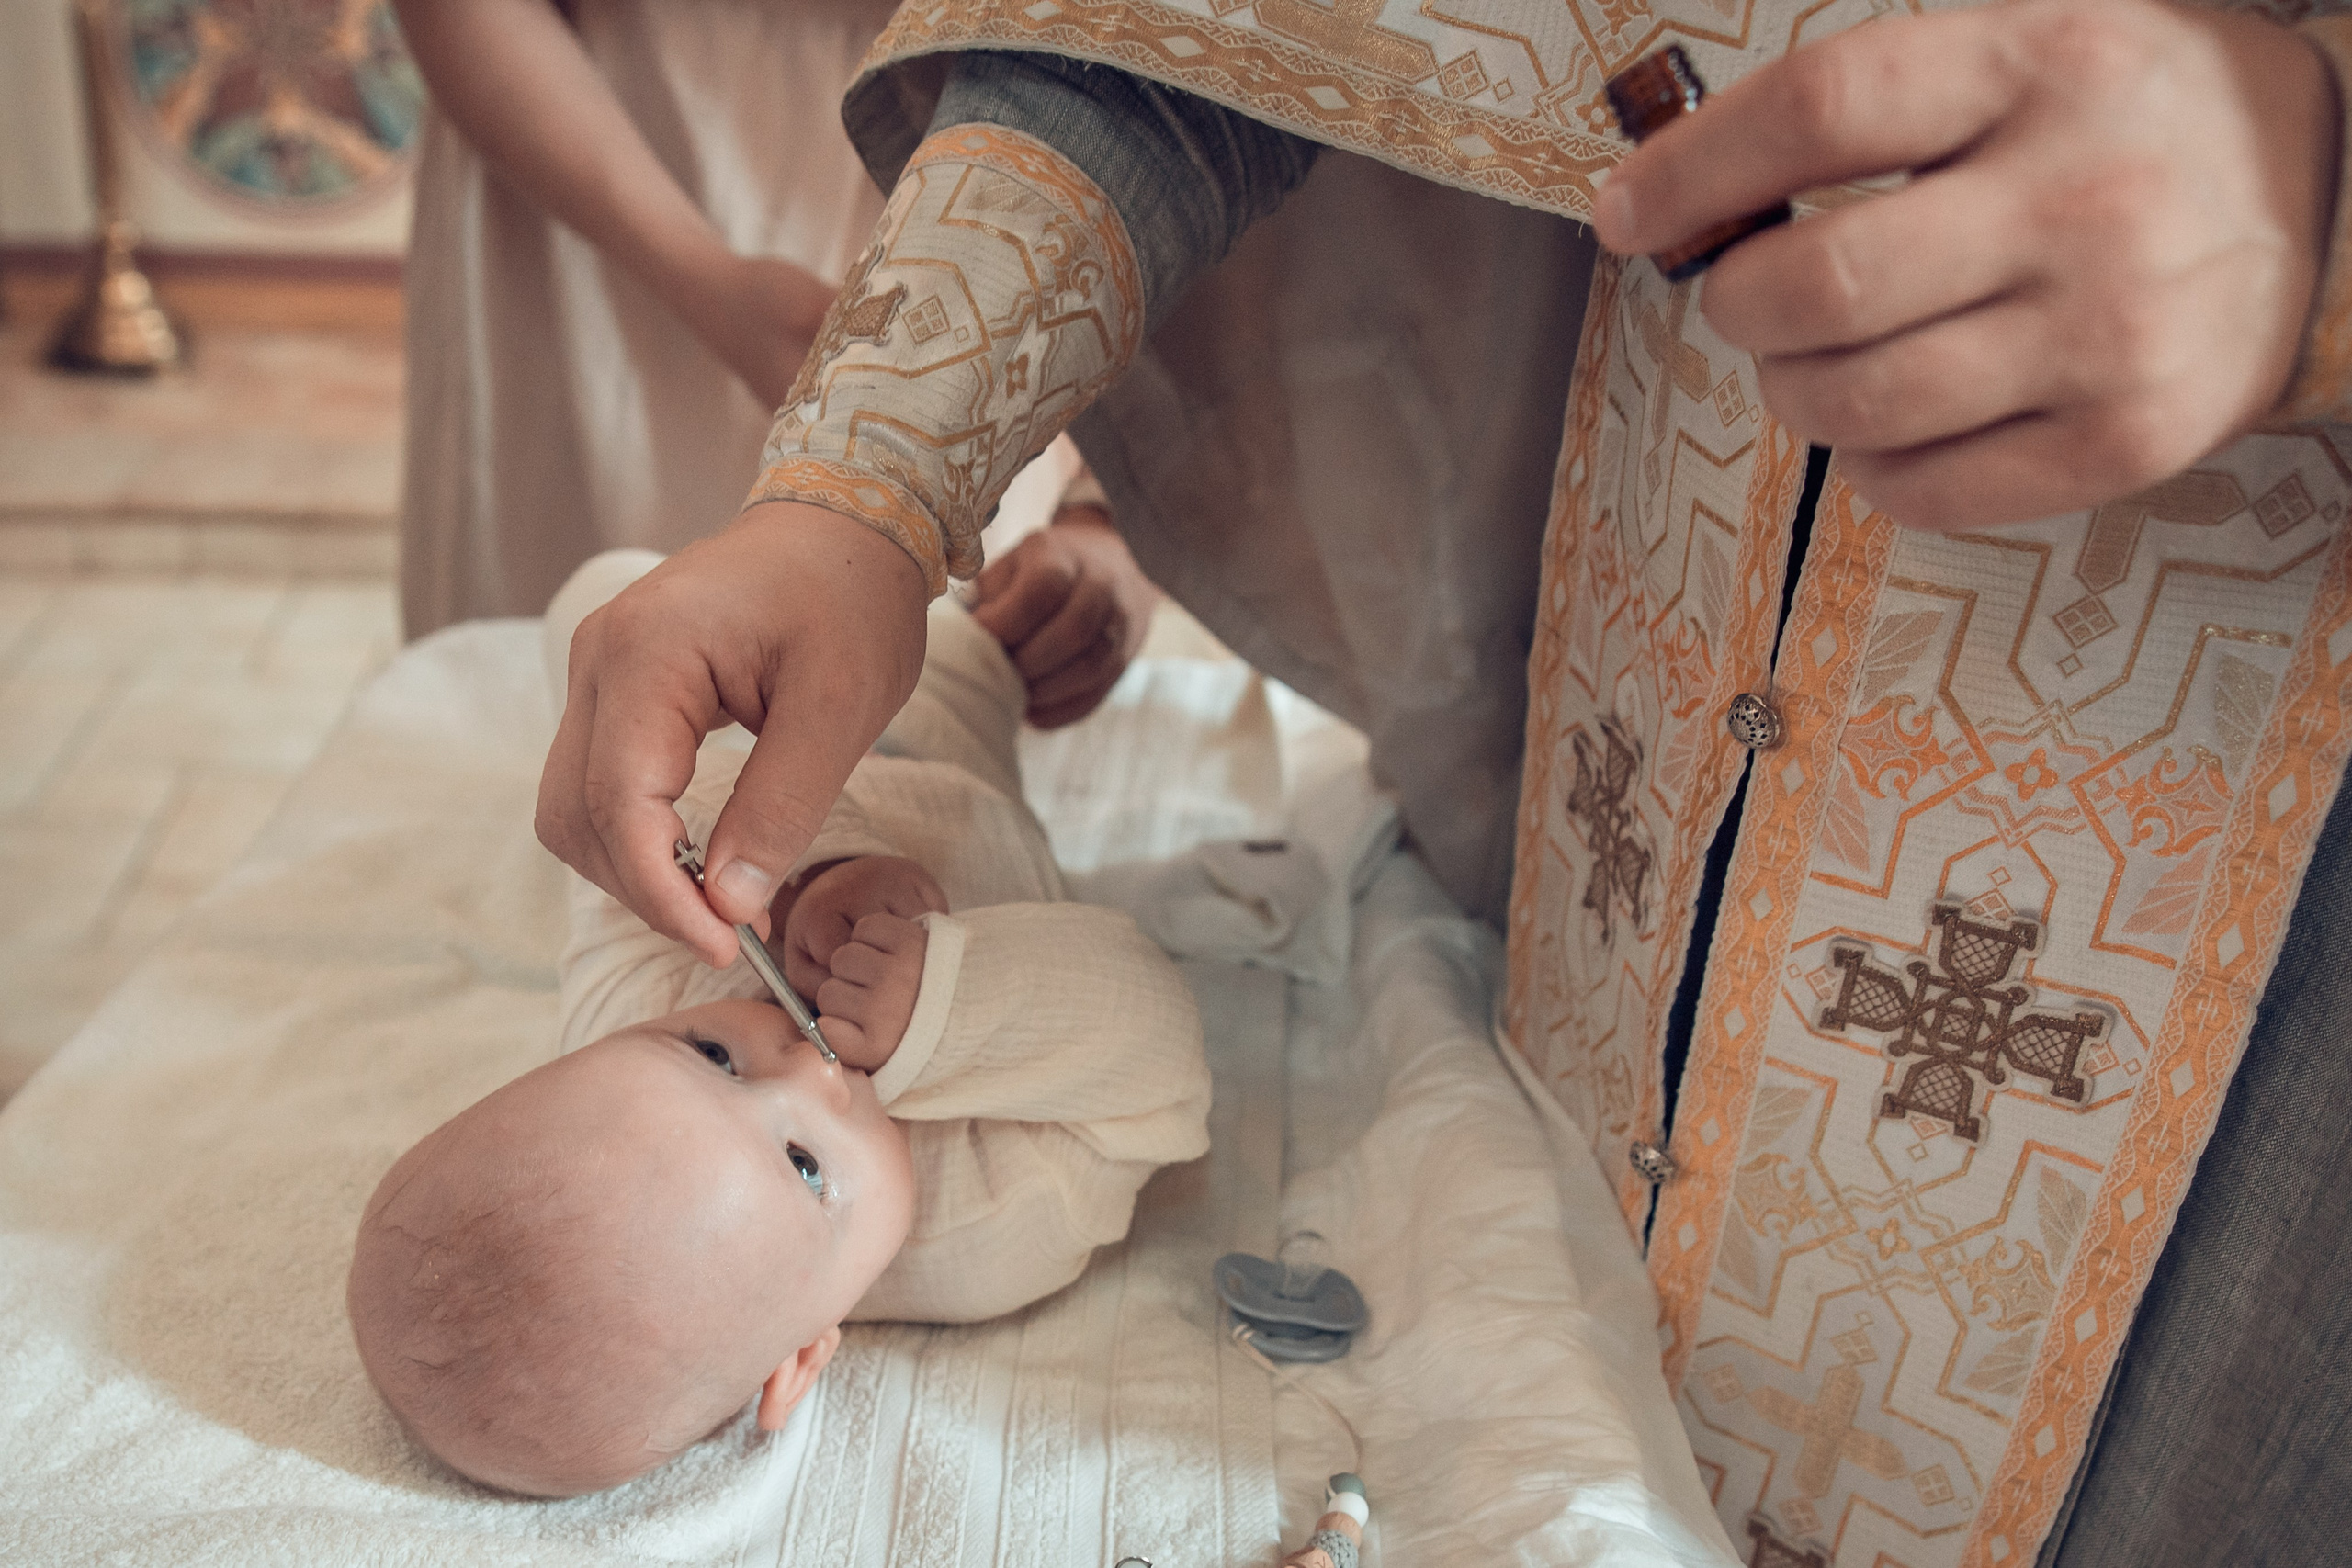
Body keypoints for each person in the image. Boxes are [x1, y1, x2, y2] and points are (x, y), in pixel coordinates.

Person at [527, 0, 2352, 1562]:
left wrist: (2323, 219)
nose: (775, 1037)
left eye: (694, 1044)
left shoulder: (628, 979)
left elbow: (631, 681)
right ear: (801, 1364)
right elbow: (1138, 1074)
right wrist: (945, 994)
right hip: (1629, 788)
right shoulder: (959, 1232)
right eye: (781, 1138)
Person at [345, 550, 1210, 1497]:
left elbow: (642, 865)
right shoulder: (984, 1240)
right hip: (956, 748)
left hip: (774, 724)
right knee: (992, 632)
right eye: (805, 1166)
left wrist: (804, 885)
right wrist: (947, 1006)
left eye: (712, 1055)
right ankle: (996, 607)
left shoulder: (617, 1027)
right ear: (797, 1362)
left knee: (597, 599)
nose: (807, 1067)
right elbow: (1158, 1042)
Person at [391, 0, 1162, 737]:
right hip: (595, 182)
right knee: (557, 713)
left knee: (929, 727)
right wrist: (709, 283)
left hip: (1012, 219)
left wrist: (1110, 517)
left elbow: (1207, 54)